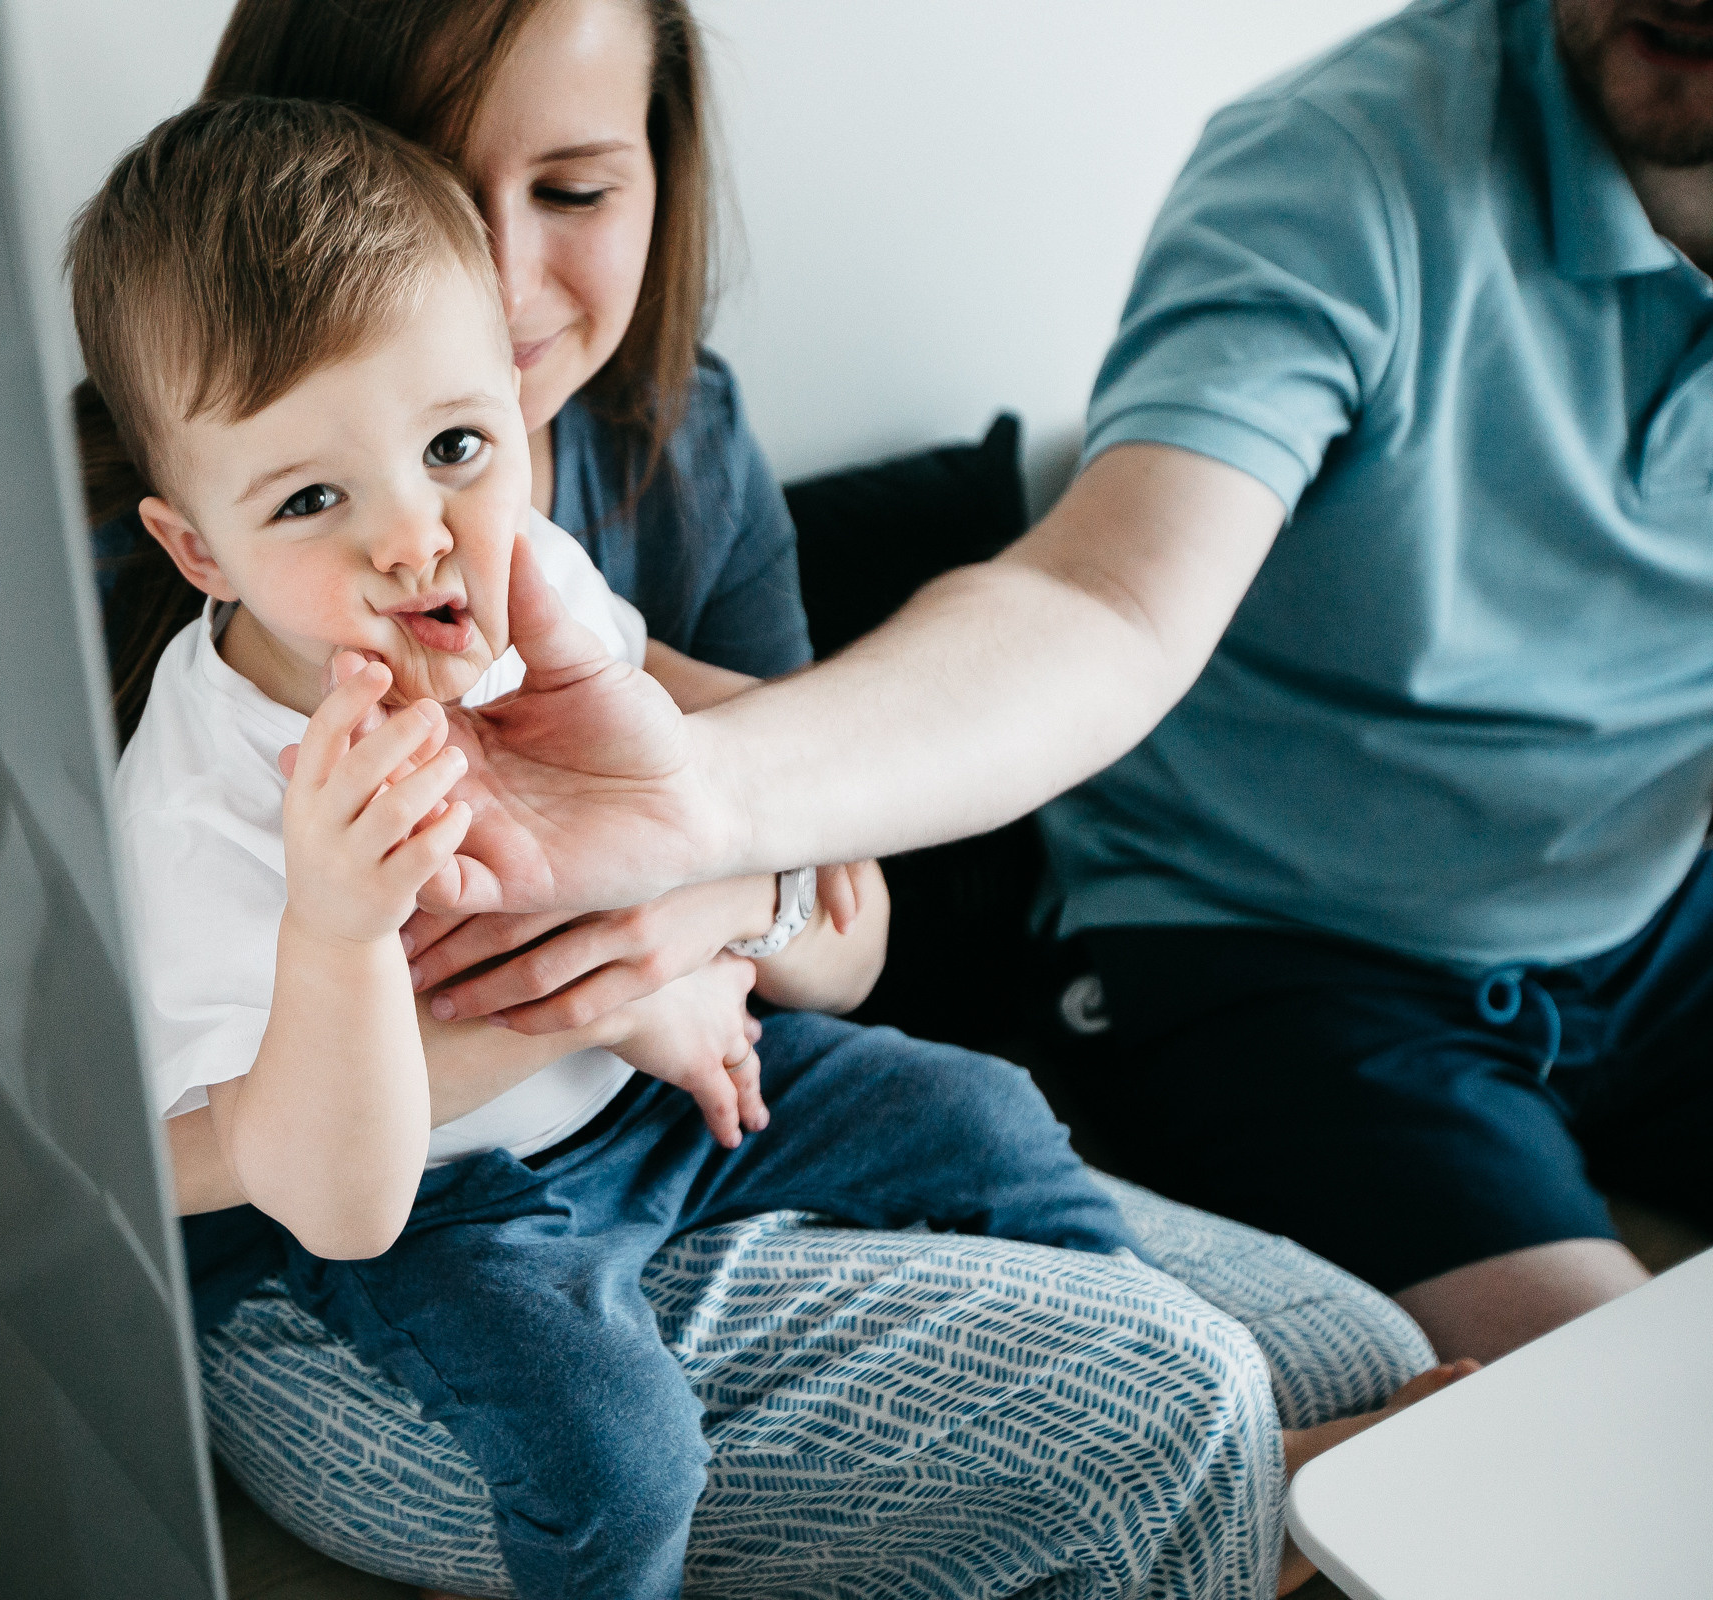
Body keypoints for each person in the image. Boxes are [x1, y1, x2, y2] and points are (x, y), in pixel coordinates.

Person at [74, 3, 1462, 1597]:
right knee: (658, 1449)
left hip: (677, 1105)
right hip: (406, 1242)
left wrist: (727, 883)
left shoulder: (588, 501)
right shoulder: (174, 670)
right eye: (449, 195)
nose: (413, 536)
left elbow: (830, 874)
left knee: (1321, 1331)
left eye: (577, 190)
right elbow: (119, 1135)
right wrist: (602, 992)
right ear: (197, 538)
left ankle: (1147, 1427)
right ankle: (1181, 1482)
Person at [393, 0, 1713, 1370]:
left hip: (1651, 911)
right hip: (1280, 959)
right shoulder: (1345, 168)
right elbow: (1106, 600)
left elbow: (842, 932)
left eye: (577, 187)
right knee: (1620, 1411)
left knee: (1024, 1160)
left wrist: (737, 862)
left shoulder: (692, 446)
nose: (497, 272)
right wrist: (703, 833)